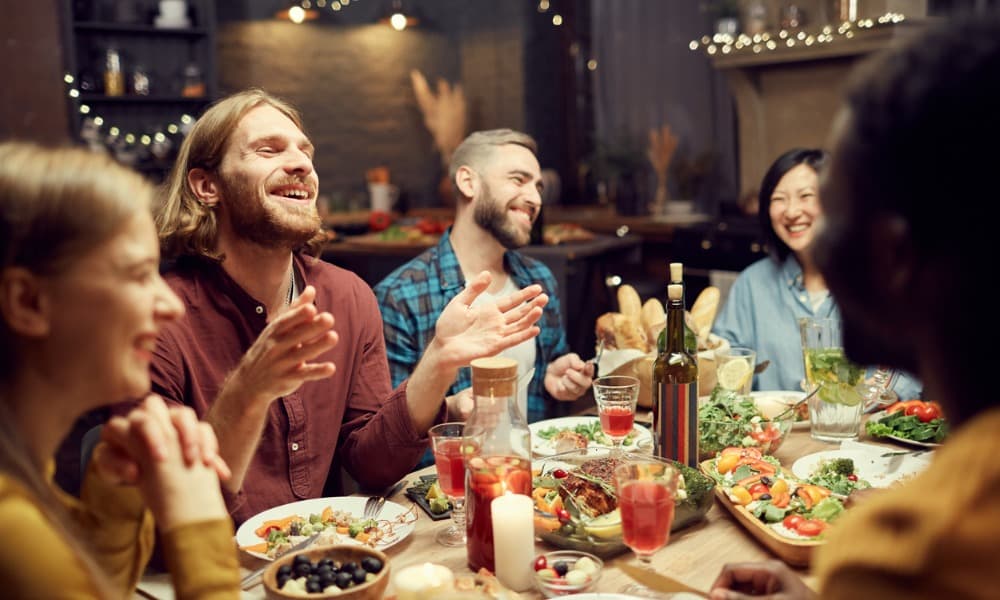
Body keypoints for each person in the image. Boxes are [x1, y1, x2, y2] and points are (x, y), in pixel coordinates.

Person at [149, 90, 547, 526]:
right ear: (208, 186)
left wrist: (439, 359)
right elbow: (165, 513)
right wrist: (249, 389)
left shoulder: (348, 296)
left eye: (306, 151)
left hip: (328, 565)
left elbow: (370, 465)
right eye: (268, 150)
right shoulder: (157, 320)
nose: (302, 164)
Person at [710, 14, 1000, 599]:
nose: (805, 226)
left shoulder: (906, 556)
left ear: (893, 254)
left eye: (832, 207)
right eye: (781, 201)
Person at [0, 142, 239, 598]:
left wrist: (113, 504)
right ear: (28, 302)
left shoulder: (30, 475)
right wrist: (198, 524)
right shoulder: (9, 530)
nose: (170, 304)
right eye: (137, 274)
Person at [374, 129, 594, 424]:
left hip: (530, 467)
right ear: (468, 182)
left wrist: (554, 377)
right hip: (448, 469)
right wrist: (448, 408)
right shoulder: (400, 296)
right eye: (518, 180)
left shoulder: (538, 280)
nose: (534, 198)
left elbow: (544, 382)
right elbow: (384, 433)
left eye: (538, 187)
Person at [712, 148, 920, 399]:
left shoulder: (877, 280)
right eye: (778, 199)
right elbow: (726, 363)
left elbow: (911, 366)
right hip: (776, 434)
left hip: (860, 434)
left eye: (805, 196)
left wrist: (863, 404)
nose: (791, 211)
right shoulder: (752, 284)